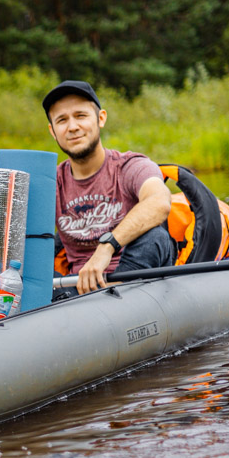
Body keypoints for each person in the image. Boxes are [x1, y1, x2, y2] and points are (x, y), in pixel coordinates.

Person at [44, 80, 176, 296]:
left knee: (155, 237)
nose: (73, 127)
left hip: (135, 275)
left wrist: (107, 246)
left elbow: (159, 202)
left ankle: (120, 295)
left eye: (81, 116)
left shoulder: (131, 166)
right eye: (62, 120)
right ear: (53, 131)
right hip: (78, 288)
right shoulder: (51, 183)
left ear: (101, 118)